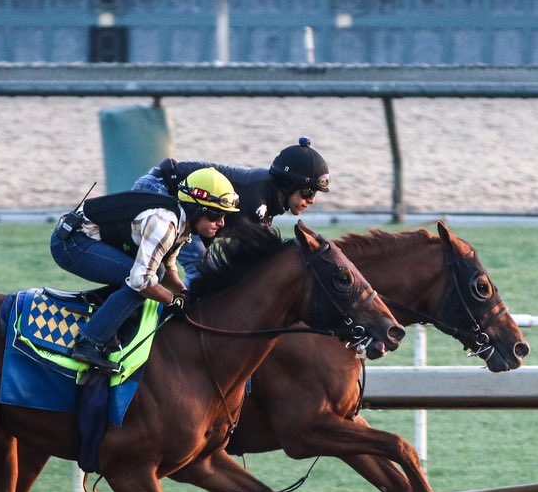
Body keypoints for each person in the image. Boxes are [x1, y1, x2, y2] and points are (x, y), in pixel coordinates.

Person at [51, 167, 240, 373]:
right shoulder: (164, 224)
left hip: (83, 238)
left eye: (225, 216)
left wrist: (184, 293)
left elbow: (167, 268)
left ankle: (111, 319)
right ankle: (89, 342)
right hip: (71, 245)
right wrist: (172, 300)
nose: (221, 223)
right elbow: (141, 281)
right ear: (196, 209)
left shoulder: (182, 224)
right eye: (216, 214)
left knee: (154, 274)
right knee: (141, 283)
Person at [133, 137, 330, 281]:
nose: (311, 200)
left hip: (171, 193)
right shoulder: (257, 203)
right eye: (307, 192)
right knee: (201, 268)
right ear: (287, 184)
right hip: (160, 190)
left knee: (187, 270)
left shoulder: (265, 199)